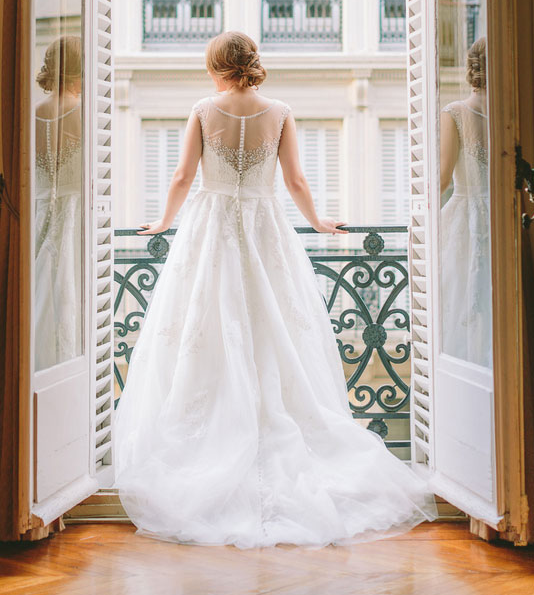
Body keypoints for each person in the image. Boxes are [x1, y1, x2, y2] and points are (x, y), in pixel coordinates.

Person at [114, 31, 437, 548]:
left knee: (209, 327)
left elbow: (181, 176)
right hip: (265, 228)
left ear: (215, 65)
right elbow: (297, 182)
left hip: (211, 227)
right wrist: (319, 221)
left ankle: (214, 437)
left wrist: (161, 222)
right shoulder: (280, 111)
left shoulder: (202, 109)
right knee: (272, 328)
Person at [439, 37, 491, 367]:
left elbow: (442, 179)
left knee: (456, 302)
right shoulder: (511, 112)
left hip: (463, 216)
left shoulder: (455, 112)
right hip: (499, 217)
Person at [34, 35, 83, 372]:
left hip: (40, 211)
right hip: (74, 213)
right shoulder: (83, 112)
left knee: (42, 289)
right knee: (71, 292)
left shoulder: (34, 112)